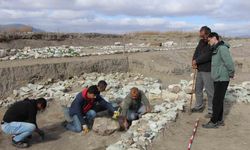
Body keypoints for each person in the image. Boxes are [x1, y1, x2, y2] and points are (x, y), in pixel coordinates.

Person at [203, 32, 235, 128]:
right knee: (219, 99)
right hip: (218, 77)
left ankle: (213, 121)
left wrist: (231, 73)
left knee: (216, 100)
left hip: (222, 78)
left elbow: (229, 62)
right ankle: (219, 120)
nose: (209, 42)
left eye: (209, 40)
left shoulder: (222, 48)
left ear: (214, 38)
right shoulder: (216, 48)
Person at [192, 26, 214, 118]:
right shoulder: (201, 42)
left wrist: (197, 61)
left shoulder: (212, 42)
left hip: (208, 70)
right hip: (200, 69)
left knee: (210, 91)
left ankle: (212, 110)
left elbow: (208, 55)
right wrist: (193, 60)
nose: (201, 37)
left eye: (203, 35)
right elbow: (197, 51)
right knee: (198, 88)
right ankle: (199, 106)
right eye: (200, 36)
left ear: (207, 34)